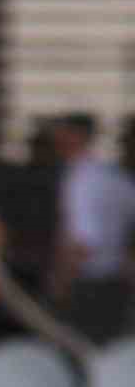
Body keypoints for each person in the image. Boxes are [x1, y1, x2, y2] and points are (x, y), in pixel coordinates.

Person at [49, 113, 135, 343]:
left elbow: (84, 241)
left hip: (88, 283)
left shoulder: (81, 179)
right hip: (116, 283)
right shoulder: (115, 177)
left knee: (81, 352)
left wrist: (61, 282)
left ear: (76, 136)